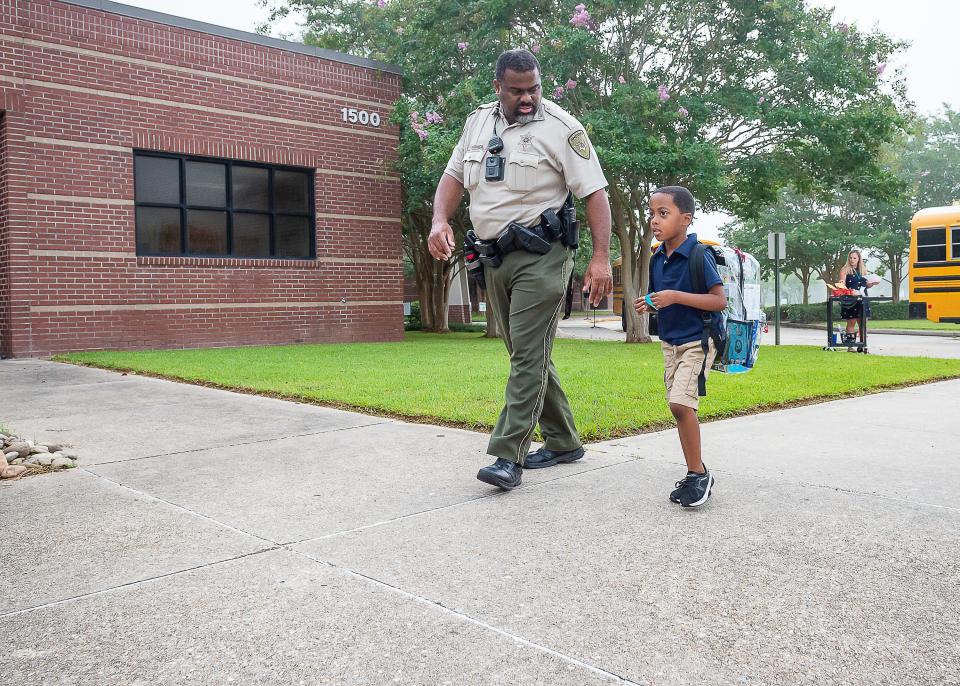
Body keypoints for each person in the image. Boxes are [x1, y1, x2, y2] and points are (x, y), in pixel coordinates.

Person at [428, 49, 612, 490]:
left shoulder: (562, 129)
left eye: (534, 88)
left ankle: (507, 456)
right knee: (525, 355)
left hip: (544, 256)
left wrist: (601, 257)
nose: (527, 98)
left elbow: (595, 194)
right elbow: (454, 176)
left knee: (528, 355)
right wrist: (439, 220)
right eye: (517, 90)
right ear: (498, 87)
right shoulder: (477, 123)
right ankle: (564, 440)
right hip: (494, 257)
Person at [634, 187, 726, 508]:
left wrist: (674, 296)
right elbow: (661, 296)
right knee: (678, 407)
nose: (654, 221)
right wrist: (650, 303)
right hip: (670, 343)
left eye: (663, 213)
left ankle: (698, 474)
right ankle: (696, 473)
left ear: (685, 219)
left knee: (680, 405)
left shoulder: (700, 255)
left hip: (699, 339)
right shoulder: (658, 258)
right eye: (652, 214)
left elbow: (718, 300)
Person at [838, 250, 880, 350]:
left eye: (854, 258)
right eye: (851, 258)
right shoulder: (844, 270)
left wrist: (873, 283)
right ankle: (850, 346)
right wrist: (842, 283)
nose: (852, 260)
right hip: (851, 299)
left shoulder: (863, 270)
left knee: (863, 323)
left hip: (863, 298)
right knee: (851, 322)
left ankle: (863, 346)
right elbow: (842, 283)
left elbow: (867, 285)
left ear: (858, 259)